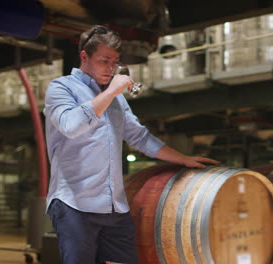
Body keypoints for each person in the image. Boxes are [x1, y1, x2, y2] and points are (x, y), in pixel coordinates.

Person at [43, 25, 220, 264]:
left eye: (115, 62)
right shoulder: (61, 88)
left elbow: (140, 137)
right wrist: (113, 91)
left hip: (114, 206)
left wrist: (183, 158)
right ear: (85, 57)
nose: (111, 68)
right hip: (75, 204)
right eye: (105, 61)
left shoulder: (116, 100)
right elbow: (71, 126)